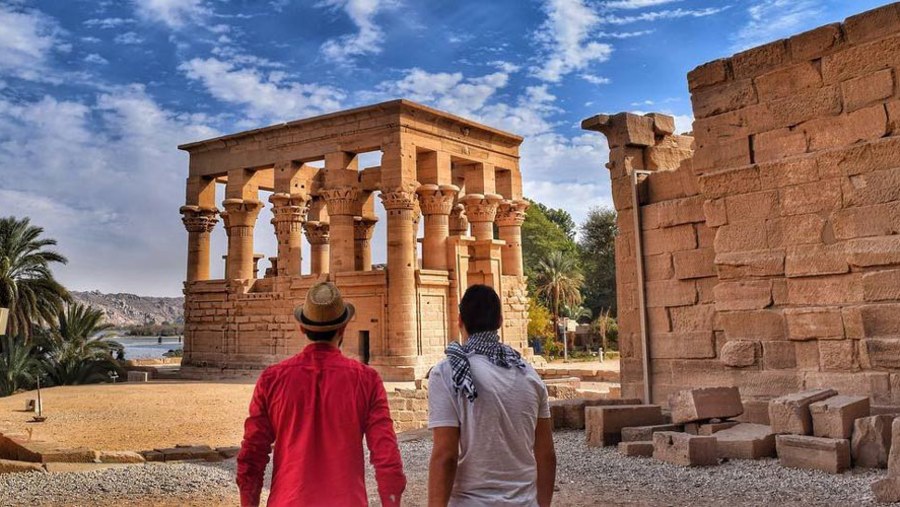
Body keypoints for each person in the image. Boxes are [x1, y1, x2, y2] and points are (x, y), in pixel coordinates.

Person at [236, 281, 406, 506]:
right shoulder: (367, 380)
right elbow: (387, 458)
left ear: (302, 328)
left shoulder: (272, 379)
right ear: (343, 328)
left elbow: (251, 457)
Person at [427, 284, 557, 506]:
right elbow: (546, 455)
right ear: (500, 321)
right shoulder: (530, 376)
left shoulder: (448, 373)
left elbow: (445, 456)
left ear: (460, 320)